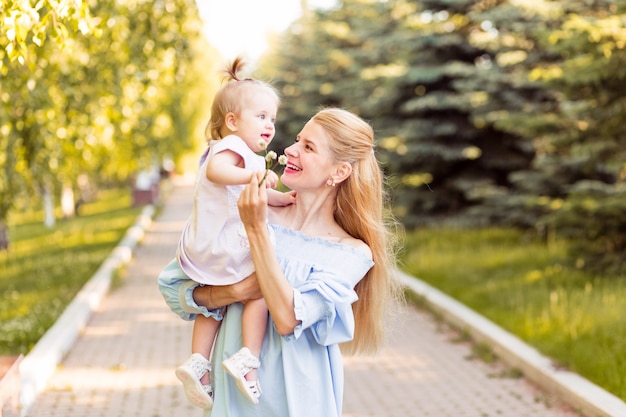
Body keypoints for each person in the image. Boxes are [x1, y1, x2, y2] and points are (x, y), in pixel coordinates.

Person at [158, 108, 401, 416]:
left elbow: (289, 318)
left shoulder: (350, 253)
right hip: (234, 397)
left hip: (300, 400)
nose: (290, 149)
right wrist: (232, 292)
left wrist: (257, 229)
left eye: (308, 147)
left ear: (338, 172)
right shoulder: (247, 209)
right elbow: (175, 288)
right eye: (298, 140)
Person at [165, 57, 294, 409]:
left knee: (213, 306)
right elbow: (216, 173)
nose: (269, 125)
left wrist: (281, 198)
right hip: (222, 244)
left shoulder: (246, 157)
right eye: (261, 117)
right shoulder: (230, 149)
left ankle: (197, 362)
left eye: (272, 118)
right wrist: (253, 177)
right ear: (233, 122)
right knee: (261, 290)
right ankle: (247, 357)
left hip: (207, 248)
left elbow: (252, 194)